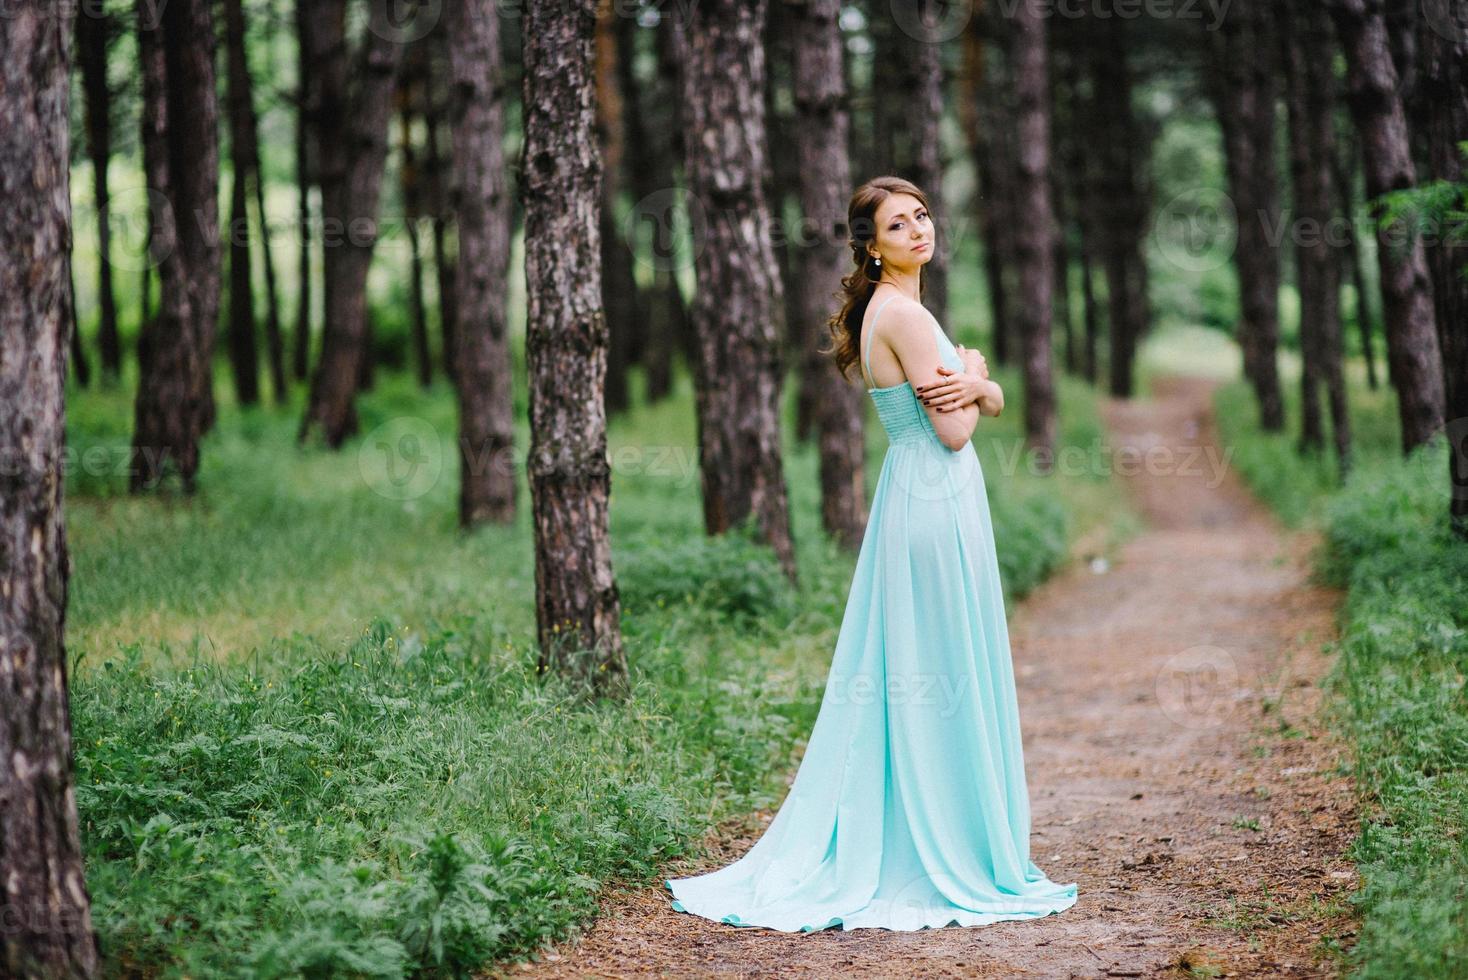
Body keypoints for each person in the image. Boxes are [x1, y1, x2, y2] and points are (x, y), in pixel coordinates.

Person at [664, 175, 1078, 932]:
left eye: (922, 215)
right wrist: (983, 382)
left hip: (915, 494)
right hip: (934, 497)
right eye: (898, 225)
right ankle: (941, 847)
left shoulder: (894, 310)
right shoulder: (909, 318)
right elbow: (956, 430)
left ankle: (925, 831)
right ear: (873, 246)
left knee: (918, 666)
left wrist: (981, 390)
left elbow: (969, 410)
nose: (919, 230)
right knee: (940, 664)